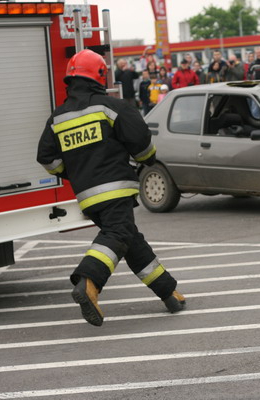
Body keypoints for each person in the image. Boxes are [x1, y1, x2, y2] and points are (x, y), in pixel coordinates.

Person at [37, 50, 185, 327]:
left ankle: (168, 292)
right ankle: (89, 282)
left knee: (129, 239)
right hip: (116, 189)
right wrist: (146, 161)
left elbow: (47, 159)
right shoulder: (111, 107)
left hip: (87, 197)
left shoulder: (57, 118)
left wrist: (73, 173)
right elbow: (142, 143)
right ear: (100, 76)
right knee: (118, 233)